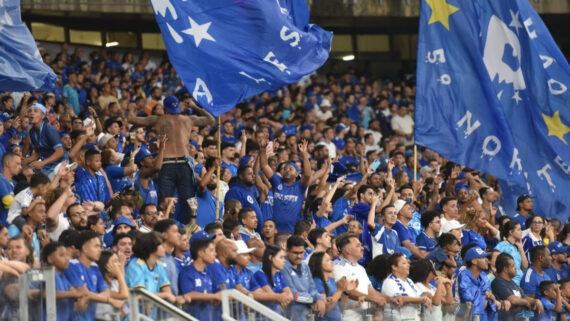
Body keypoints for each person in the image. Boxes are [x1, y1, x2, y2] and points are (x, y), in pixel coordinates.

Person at [128, 95, 215, 225]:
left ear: (164, 108)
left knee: (164, 203)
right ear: (178, 107)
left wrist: (132, 108)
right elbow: (210, 119)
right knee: (188, 203)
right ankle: (188, 231)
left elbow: (131, 119)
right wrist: (194, 106)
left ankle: (164, 229)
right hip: (184, 164)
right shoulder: (187, 119)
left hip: (167, 164)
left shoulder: (157, 119)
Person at [63, 231, 121, 321]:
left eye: (100, 247)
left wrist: (89, 296)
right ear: (85, 248)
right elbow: (81, 292)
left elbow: (106, 292)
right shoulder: (72, 266)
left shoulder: (95, 267)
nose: (100, 250)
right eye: (96, 246)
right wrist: (110, 300)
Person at [260, 140, 312, 233]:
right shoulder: (277, 182)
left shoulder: (300, 186)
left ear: (297, 174)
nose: (287, 170)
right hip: (275, 231)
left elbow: (307, 174)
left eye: (291, 169)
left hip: (293, 231)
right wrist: (263, 149)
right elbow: (264, 166)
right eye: (285, 169)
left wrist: (304, 154)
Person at [281, 235, 326, 321]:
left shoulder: (305, 266)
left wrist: (320, 299)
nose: (299, 256)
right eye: (295, 253)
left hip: (307, 314)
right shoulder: (282, 266)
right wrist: (313, 301)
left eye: (301, 252)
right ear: (287, 251)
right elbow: (293, 295)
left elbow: (313, 290)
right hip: (289, 315)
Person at [41, 241, 87, 321]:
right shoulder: (47, 274)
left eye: (66, 255)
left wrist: (81, 298)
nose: (67, 258)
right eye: (62, 255)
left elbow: (76, 294)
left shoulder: (63, 277)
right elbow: (44, 293)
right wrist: (72, 294)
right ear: (50, 259)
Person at [126, 232, 176, 303]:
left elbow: (167, 290)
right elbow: (140, 294)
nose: (164, 247)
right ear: (152, 247)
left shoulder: (159, 265)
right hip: (133, 313)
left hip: (150, 313)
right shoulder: (136, 265)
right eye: (161, 245)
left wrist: (167, 295)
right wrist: (165, 295)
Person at [491, 253, 544, 321]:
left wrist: (535, 301)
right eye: (513, 266)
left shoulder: (512, 283)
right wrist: (526, 302)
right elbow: (512, 299)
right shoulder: (498, 282)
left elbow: (523, 297)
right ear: (505, 269)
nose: (515, 268)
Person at [179, 237, 220, 320]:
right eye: (211, 250)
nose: (215, 254)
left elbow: (217, 293)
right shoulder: (187, 272)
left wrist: (215, 299)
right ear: (201, 253)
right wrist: (214, 296)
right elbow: (189, 294)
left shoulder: (209, 272)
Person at [382, 252, 431, 321]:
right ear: (394, 267)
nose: (408, 265)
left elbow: (421, 296)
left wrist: (426, 300)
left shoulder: (409, 281)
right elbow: (399, 299)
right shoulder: (389, 281)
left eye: (408, 263)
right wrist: (422, 299)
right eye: (404, 263)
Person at [458, 246, 501, 321]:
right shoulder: (463, 276)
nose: (487, 260)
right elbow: (469, 302)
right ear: (474, 261)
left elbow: (490, 296)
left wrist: (487, 297)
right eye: (483, 257)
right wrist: (486, 297)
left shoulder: (483, 275)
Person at [25, 103, 67, 177]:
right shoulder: (32, 132)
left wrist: (42, 163)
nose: (31, 113)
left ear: (42, 116)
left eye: (35, 111)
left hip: (60, 165)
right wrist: (27, 160)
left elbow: (60, 152)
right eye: (30, 111)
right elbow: (38, 152)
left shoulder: (49, 129)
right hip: (46, 165)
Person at [252, 244, 293, 315]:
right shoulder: (259, 275)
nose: (284, 261)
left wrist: (282, 297)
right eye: (281, 257)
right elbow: (271, 295)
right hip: (264, 316)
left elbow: (290, 294)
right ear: (271, 257)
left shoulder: (279, 274)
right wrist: (281, 297)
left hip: (278, 314)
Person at [95, 250, 129, 321]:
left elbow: (125, 310)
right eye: (115, 261)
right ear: (106, 265)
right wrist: (119, 274)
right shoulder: (98, 283)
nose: (119, 264)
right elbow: (124, 295)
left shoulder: (114, 283)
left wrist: (125, 309)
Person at [495, 220, 528, 285]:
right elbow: (494, 263)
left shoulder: (517, 247)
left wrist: (521, 248)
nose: (521, 232)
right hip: (510, 282)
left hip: (520, 282)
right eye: (519, 230)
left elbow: (525, 266)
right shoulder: (502, 245)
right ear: (511, 232)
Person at [196, 157, 223, 227]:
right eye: (209, 178)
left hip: (210, 234)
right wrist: (214, 167)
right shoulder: (202, 193)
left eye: (214, 177)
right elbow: (202, 184)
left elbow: (219, 220)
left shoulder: (219, 204)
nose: (211, 179)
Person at [0, 152, 21, 225]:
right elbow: (9, 203)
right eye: (17, 164)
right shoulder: (1, 179)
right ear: (7, 163)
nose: (20, 167)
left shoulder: (15, 183)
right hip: (3, 227)